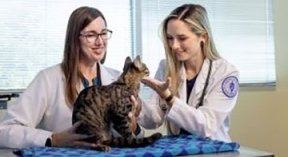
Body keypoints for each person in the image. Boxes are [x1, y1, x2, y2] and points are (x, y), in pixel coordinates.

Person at [0, 6, 142, 149]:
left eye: (103, 33)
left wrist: (134, 126)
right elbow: (5, 131)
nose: (100, 42)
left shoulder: (116, 78)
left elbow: (135, 136)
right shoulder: (48, 79)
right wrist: (53, 139)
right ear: (75, 39)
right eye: (91, 35)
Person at [138, 4, 239, 142]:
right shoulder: (165, 67)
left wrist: (168, 97)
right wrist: (135, 104)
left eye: (182, 38)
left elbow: (206, 125)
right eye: (170, 38)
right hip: (178, 150)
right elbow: (153, 120)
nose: (174, 46)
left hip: (213, 151)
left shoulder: (226, 73)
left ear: (203, 37)